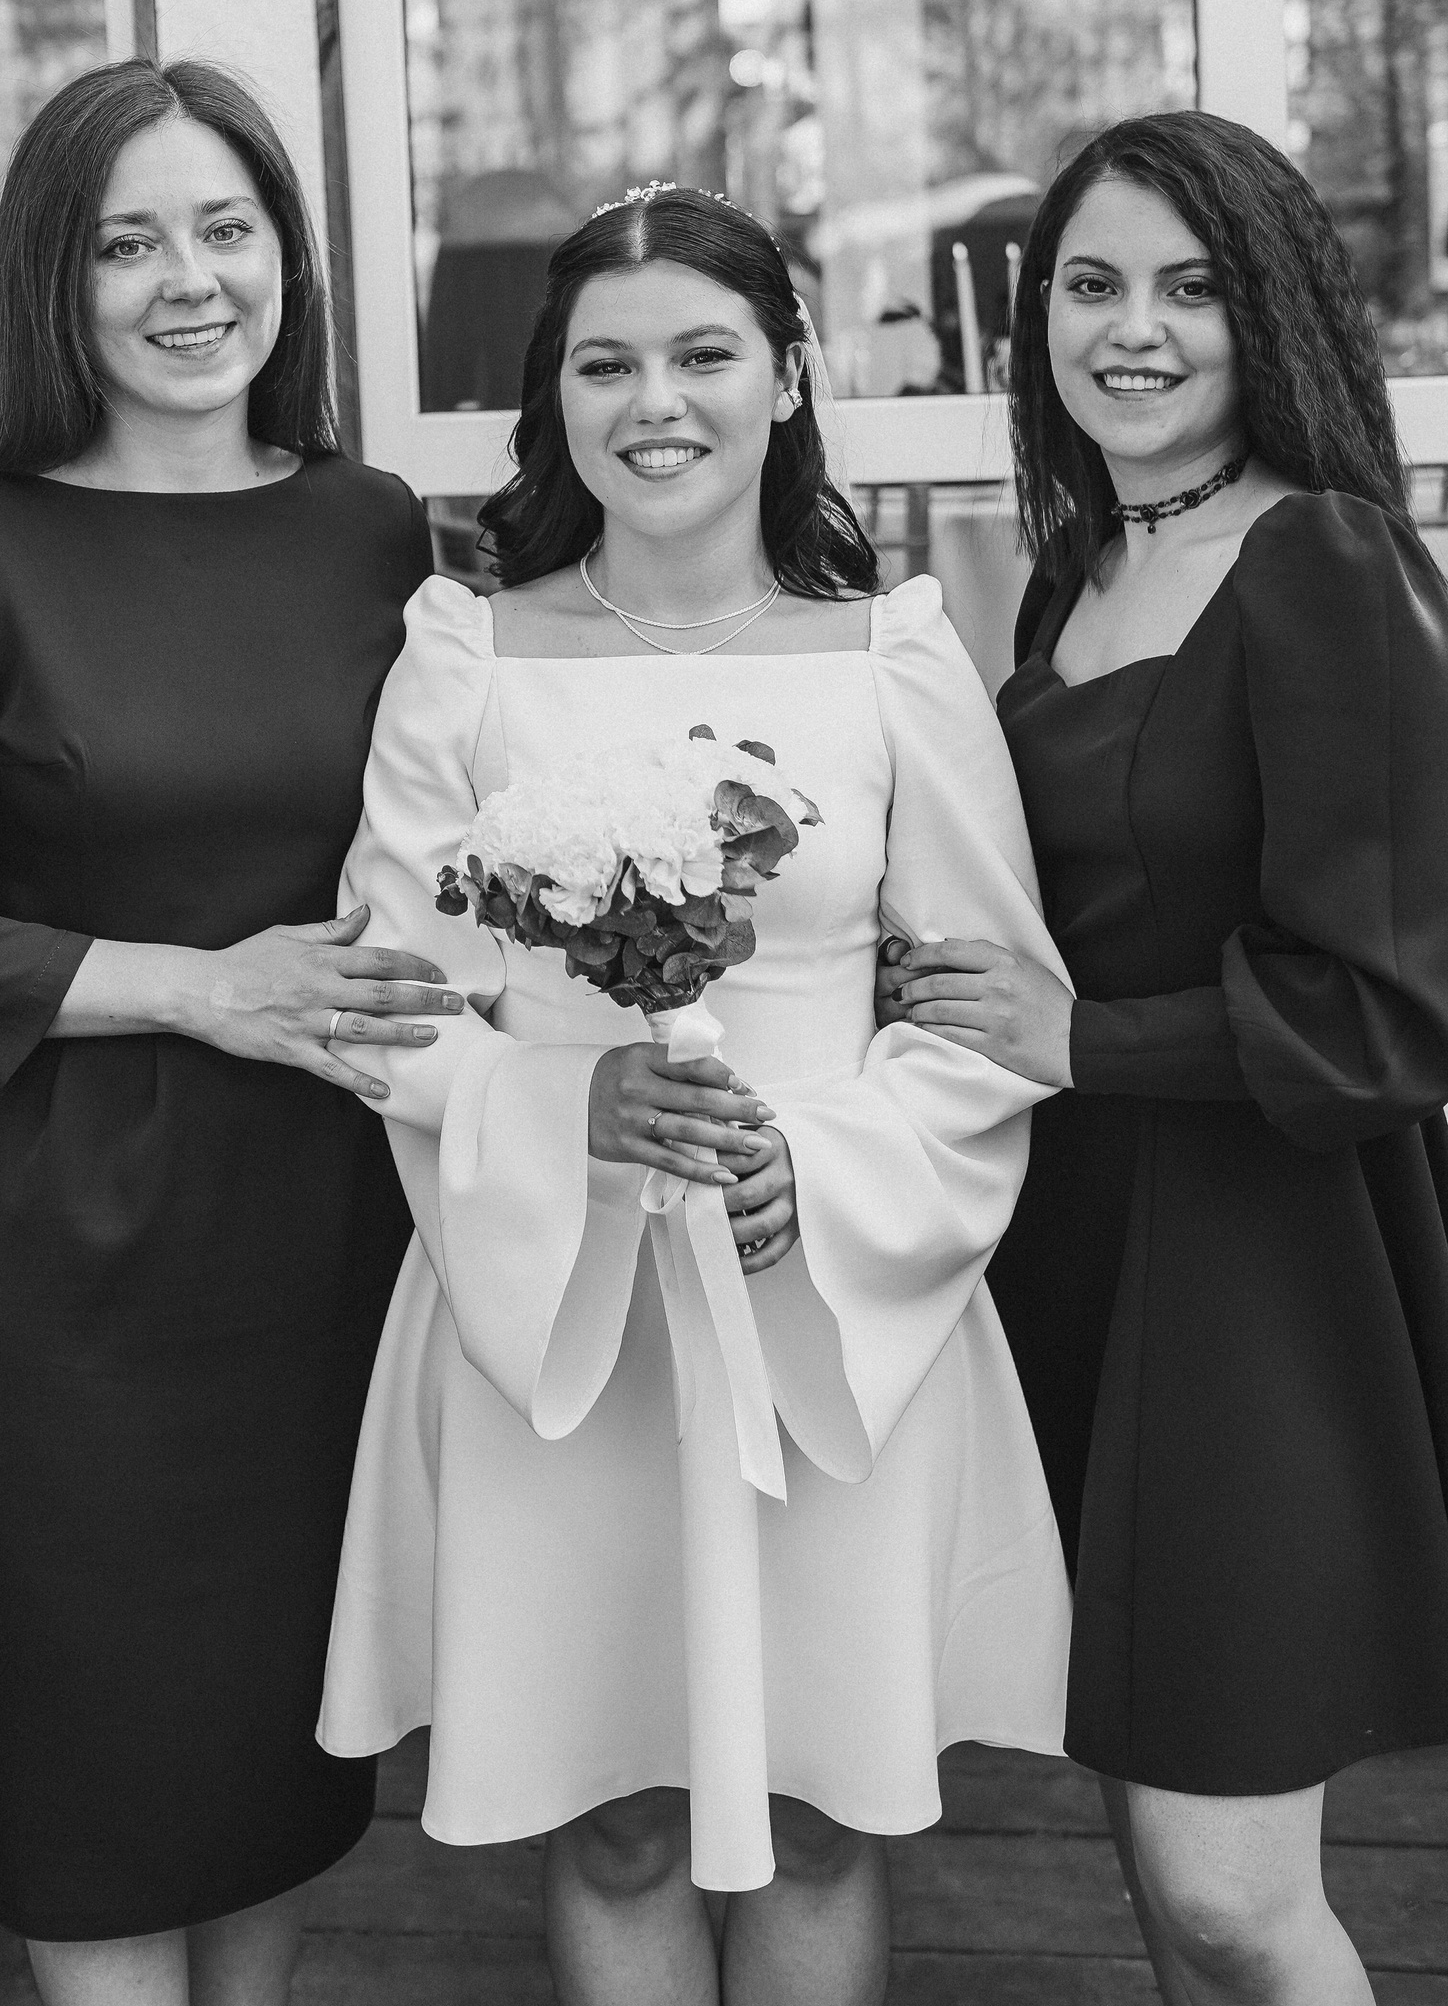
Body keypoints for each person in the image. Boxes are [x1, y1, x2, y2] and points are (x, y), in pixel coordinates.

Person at [317, 184, 1073, 2006]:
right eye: (605, 365)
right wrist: (560, 1113)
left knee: (819, 1818)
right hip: (552, 1298)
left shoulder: (893, 657)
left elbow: (991, 1012)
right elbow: (389, 1001)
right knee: (616, 1826)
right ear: (556, 399)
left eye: (704, 354)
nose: (655, 404)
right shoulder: (463, 656)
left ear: (787, 376)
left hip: (823, 1294)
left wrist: (829, 1174)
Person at [0, 58, 454, 2006]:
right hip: (64, 1261)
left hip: (327, 1235)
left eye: (226, 229)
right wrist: (202, 985)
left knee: (276, 1764)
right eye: (128, 242)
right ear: (56, 282)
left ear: (287, 257)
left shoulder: (372, 527)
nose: (191, 282)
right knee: (101, 1787)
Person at [883, 110, 1448, 2006]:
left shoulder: (1325, 561)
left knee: (1228, 1890)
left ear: (1266, 312)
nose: (1132, 329)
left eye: (1190, 289)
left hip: (1262, 1273)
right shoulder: (1079, 568)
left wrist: (1077, 1034)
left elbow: (1393, 1005)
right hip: (1080, 1249)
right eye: (1092, 285)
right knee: (1152, 1855)